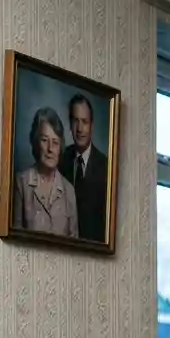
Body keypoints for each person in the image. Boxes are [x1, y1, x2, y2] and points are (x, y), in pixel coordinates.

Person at [12, 107, 79, 238]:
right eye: (44, 140)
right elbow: (15, 239)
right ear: (35, 142)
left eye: (55, 142)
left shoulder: (69, 190)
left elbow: (74, 243)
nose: (50, 149)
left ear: (61, 147)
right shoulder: (21, 183)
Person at [59, 93, 109, 242]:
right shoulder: (59, 159)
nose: (80, 128)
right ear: (69, 124)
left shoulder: (106, 167)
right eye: (75, 121)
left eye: (84, 122)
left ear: (92, 126)